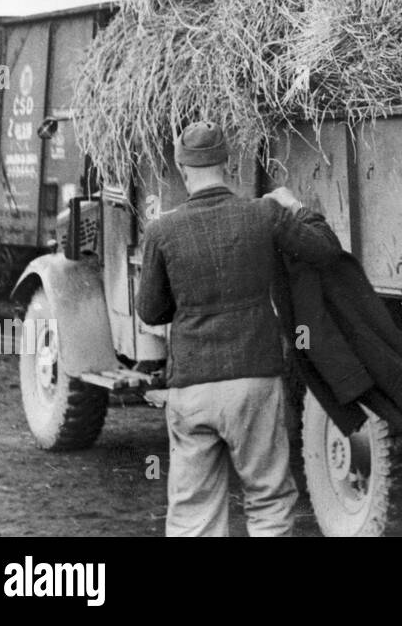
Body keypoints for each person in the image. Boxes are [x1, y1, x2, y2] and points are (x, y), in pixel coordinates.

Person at [136, 121, 341, 536]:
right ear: (229, 164)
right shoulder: (264, 214)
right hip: (254, 381)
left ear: (181, 166)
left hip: (192, 387)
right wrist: (296, 206)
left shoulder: (162, 231)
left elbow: (150, 312)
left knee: (193, 511)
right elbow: (325, 252)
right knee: (267, 499)